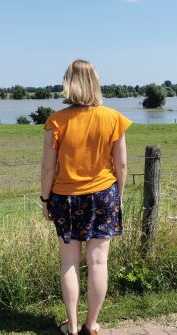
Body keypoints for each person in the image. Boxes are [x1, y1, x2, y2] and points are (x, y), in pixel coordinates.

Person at [40, 59, 132, 335]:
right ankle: (91, 325)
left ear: (69, 83)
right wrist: (119, 196)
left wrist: (45, 200)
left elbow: (48, 167)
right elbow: (122, 165)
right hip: (104, 195)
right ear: (95, 83)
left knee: (69, 261)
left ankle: (72, 324)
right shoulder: (113, 118)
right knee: (98, 262)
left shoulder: (56, 120)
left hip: (65, 197)